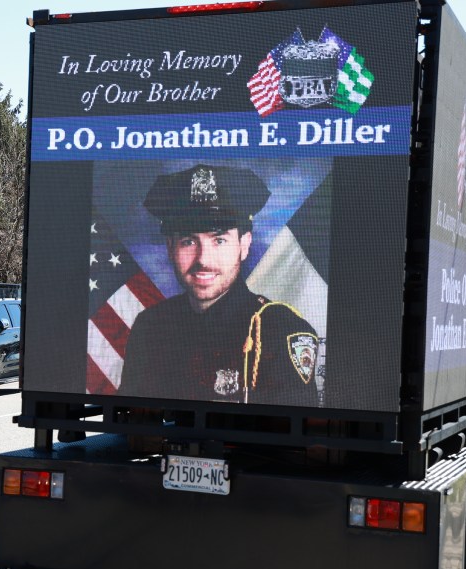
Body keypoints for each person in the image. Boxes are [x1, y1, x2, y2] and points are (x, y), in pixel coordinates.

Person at [119, 164, 319, 406]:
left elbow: (288, 435)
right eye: (189, 241)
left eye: (219, 240)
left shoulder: (278, 330)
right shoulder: (150, 326)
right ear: (170, 248)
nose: (203, 259)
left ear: (244, 245)